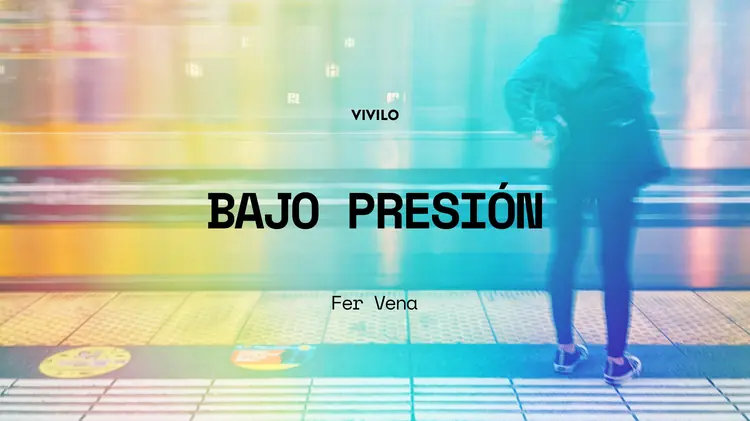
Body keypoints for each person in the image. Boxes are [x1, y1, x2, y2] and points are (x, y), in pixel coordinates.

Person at [504, 0, 669, 386]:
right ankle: (616, 361)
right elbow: (640, 92)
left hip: (571, 160)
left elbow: (515, 85)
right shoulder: (626, 40)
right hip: (617, 164)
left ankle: (565, 351)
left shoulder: (554, 45)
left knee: (565, 254)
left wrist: (534, 128)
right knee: (615, 261)